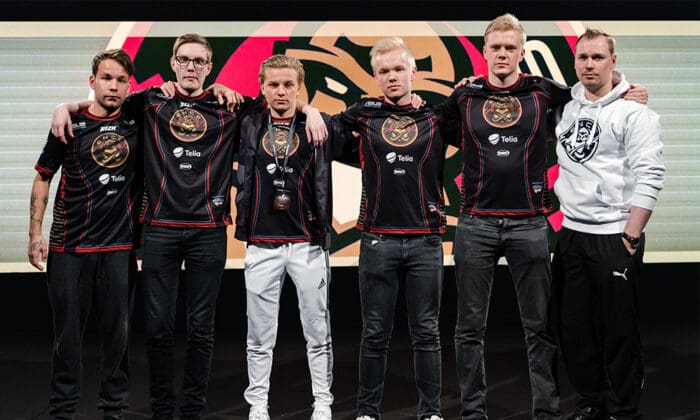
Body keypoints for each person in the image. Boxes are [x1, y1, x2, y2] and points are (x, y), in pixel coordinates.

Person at [51, 34, 327, 420]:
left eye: (199, 61)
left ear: (209, 67)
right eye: (184, 59)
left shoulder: (229, 105)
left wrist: (310, 110)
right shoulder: (151, 100)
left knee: (201, 330)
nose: (191, 67)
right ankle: (164, 410)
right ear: (174, 63)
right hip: (159, 230)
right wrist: (65, 106)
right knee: (158, 329)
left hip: (208, 232)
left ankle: (193, 410)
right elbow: (106, 103)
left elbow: (278, 102)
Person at [438, 13, 649, 419]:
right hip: (476, 223)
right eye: (495, 47)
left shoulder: (545, 91)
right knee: (469, 329)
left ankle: (547, 412)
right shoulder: (464, 95)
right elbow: (428, 126)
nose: (502, 54)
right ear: (484, 51)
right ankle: (472, 412)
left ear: (522, 52)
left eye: (510, 47)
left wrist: (628, 89)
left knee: (541, 327)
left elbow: (594, 93)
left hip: (530, 224)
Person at [335, 37, 459, 420]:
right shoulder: (362, 114)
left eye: (398, 69)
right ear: (375, 77)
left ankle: (431, 413)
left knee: (427, 333)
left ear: (413, 72)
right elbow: (322, 127)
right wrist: (307, 109)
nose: (392, 76)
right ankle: (367, 412)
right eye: (384, 71)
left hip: (425, 241)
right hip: (377, 240)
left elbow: (476, 118)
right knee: (374, 334)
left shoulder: (436, 117)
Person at [552, 29, 664, 420]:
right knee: (575, 329)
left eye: (598, 57)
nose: (589, 64)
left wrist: (630, 236)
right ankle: (592, 401)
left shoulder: (635, 112)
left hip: (615, 234)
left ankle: (623, 410)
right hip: (572, 235)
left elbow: (651, 174)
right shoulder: (567, 108)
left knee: (619, 331)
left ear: (613, 62)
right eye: (583, 57)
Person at [235, 54, 352, 420]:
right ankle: (258, 405)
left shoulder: (319, 126)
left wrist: (313, 112)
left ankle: (323, 402)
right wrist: (309, 107)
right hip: (262, 244)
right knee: (259, 336)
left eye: (289, 85)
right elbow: (219, 95)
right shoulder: (248, 121)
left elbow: (355, 134)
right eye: (273, 84)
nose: (281, 91)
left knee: (317, 332)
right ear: (262, 87)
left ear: (299, 87)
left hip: (308, 245)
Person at [28, 49, 139, 420]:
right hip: (69, 247)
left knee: (118, 338)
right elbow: (43, 176)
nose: (113, 86)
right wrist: (34, 233)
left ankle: (113, 410)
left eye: (121, 80)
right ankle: (62, 410)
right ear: (93, 81)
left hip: (119, 247)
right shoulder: (69, 124)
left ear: (129, 85)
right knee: (67, 338)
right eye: (106, 78)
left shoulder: (138, 118)